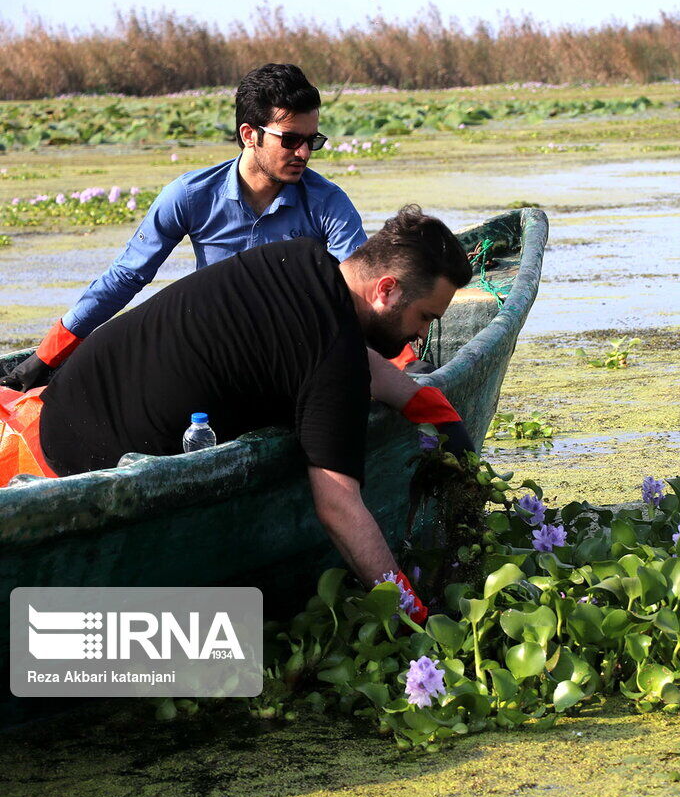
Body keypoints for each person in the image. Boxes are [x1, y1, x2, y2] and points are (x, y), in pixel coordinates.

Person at [6, 206, 471, 621]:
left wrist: (419, 399)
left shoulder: (299, 259)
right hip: (73, 470)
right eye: (425, 317)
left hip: (52, 408)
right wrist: (412, 610)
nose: (418, 336)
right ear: (386, 290)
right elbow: (338, 506)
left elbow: (329, 347)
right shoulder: (334, 359)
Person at [0, 63, 369, 392]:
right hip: (209, 349)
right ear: (248, 134)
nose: (303, 153)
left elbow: (359, 291)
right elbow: (126, 276)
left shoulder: (327, 202)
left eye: (312, 141)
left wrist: (398, 360)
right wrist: (47, 356)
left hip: (293, 353)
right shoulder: (190, 195)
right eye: (290, 140)